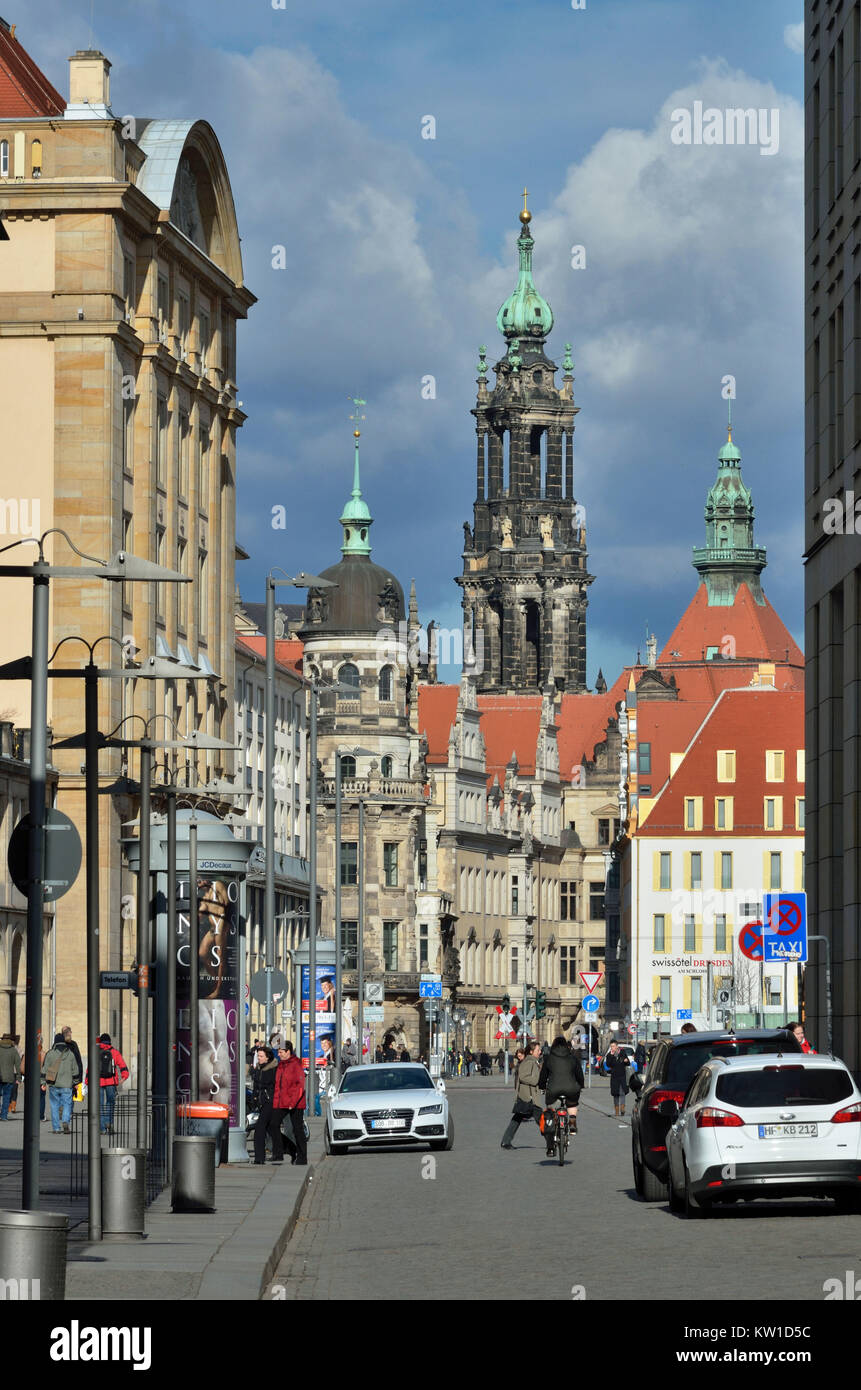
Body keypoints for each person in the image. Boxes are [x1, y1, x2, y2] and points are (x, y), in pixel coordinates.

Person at [539, 1035, 585, 1155]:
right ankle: (573, 1121)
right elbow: (579, 1074)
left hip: (553, 1089)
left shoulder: (548, 1058)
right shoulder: (572, 1058)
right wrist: (581, 1085)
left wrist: (542, 1086)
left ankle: (550, 1147)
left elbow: (543, 1075)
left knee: (550, 1112)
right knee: (572, 1103)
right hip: (571, 1089)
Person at [500, 1044, 543, 1149]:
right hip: (529, 1097)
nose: (540, 1052)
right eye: (538, 1050)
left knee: (517, 1118)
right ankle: (552, 1142)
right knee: (541, 1120)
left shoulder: (533, 1061)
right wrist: (537, 1081)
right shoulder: (529, 1061)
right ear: (531, 1052)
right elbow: (523, 1077)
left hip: (527, 1096)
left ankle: (505, 1141)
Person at [84, 1033, 129, 1134]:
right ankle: (109, 1123)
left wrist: (87, 1081)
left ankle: (102, 1128)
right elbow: (123, 1066)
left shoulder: (96, 1052)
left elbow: (90, 1068)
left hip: (98, 1081)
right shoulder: (114, 1052)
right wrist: (123, 1078)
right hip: (111, 1081)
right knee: (110, 1103)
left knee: (99, 1104)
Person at [273, 1042, 307, 1165]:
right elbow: (278, 1086)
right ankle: (291, 1149)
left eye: (281, 1052)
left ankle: (302, 1157)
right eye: (278, 1052)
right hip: (282, 1102)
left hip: (295, 1103)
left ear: (288, 1052)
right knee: (272, 1124)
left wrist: (293, 1102)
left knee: (297, 1129)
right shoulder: (281, 1065)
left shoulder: (296, 1064)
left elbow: (300, 1086)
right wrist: (275, 1103)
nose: (279, 1054)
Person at [42, 1032, 77, 1133]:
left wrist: (43, 1082)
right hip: (67, 1084)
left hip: (54, 1085)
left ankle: (56, 1128)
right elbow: (75, 1070)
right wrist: (75, 1082)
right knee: (67, 1104)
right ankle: (65, 1120)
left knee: (54, 1106)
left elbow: (44, 1069)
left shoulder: (50, 1054)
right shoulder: (70, 1054)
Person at [251, 1046, 279, 1164]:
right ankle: (279, 1152)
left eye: (261, 1056)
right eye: (258, 1056)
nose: (259, 1058)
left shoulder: (273, 1069)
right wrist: (255, 1098)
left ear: (268, 1058)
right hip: (261, 1102)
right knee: (271, 1128)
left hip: (270, 1102)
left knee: (259, 1128)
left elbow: (275, 1086)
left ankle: (259, 1158)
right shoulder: (258, 1068)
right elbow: (256, 1086)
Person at [603, 1040, 632, 1123]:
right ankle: (616, 1110)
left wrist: (626, 1061)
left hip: (622, 1075)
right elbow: (608, 1064)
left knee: (622, 1092)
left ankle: (622, 1108)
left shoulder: (622, 1052)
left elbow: (628, 1063)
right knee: (615, 1093)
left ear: (616, 1046)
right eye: (611, 1046)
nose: (612, 1048)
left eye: (613, 1046)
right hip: (614, 1076)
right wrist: (611, 1056)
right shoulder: (609, 1055)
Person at [0, 1032, 21, 1120]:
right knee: (6, 1096)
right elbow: (18, 1064)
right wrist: (19, 1077)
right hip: (9, 1077)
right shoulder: (13, 1050)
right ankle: (4, 1116)